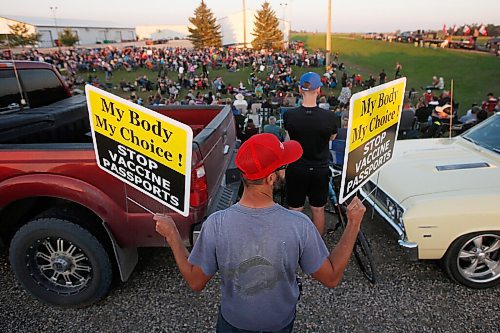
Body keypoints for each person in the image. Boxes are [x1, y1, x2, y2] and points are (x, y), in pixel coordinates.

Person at [154, 133, 366, 332]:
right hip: (280, 323)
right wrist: (353, 223)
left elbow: (195, 281)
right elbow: (330, 277)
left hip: (232, 323)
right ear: (271, 179)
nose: (287, 169)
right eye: (283, 166)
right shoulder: (298, 225)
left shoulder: (216, 224)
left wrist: (173, 235)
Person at [284, 72, 338, 235]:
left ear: (300, 90)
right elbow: (332, 137)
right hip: (319, 169)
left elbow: (289, 137)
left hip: (297, 168)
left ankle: (294, 245)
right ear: (319, 90)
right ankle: (317, 250)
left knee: (295, 209)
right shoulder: (329, 117)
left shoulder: (289, 115)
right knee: (318, 210)